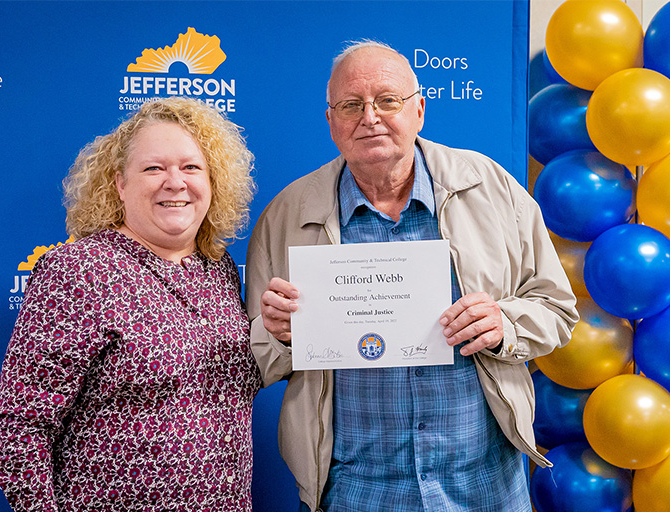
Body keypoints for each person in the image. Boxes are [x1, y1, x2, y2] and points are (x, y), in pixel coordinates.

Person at [245, 41, 579, 511]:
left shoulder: (492, 188)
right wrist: (278, 335)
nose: (370, 116)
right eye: (350, 105)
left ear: (419, 110)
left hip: (484, 489)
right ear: (331, 122)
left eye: (387, 100)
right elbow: (255, 359)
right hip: (350, 493)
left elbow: (557, 309)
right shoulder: (287, 216)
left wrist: (504, 324)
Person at [0, 97, 260, 512]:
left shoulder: (217, 267)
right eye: (154, 168)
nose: (175, 182)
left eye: (191, 167)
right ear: (119, 183)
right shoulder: (78, 270)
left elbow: (225, 386)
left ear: (213, 180)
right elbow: (21, 427)